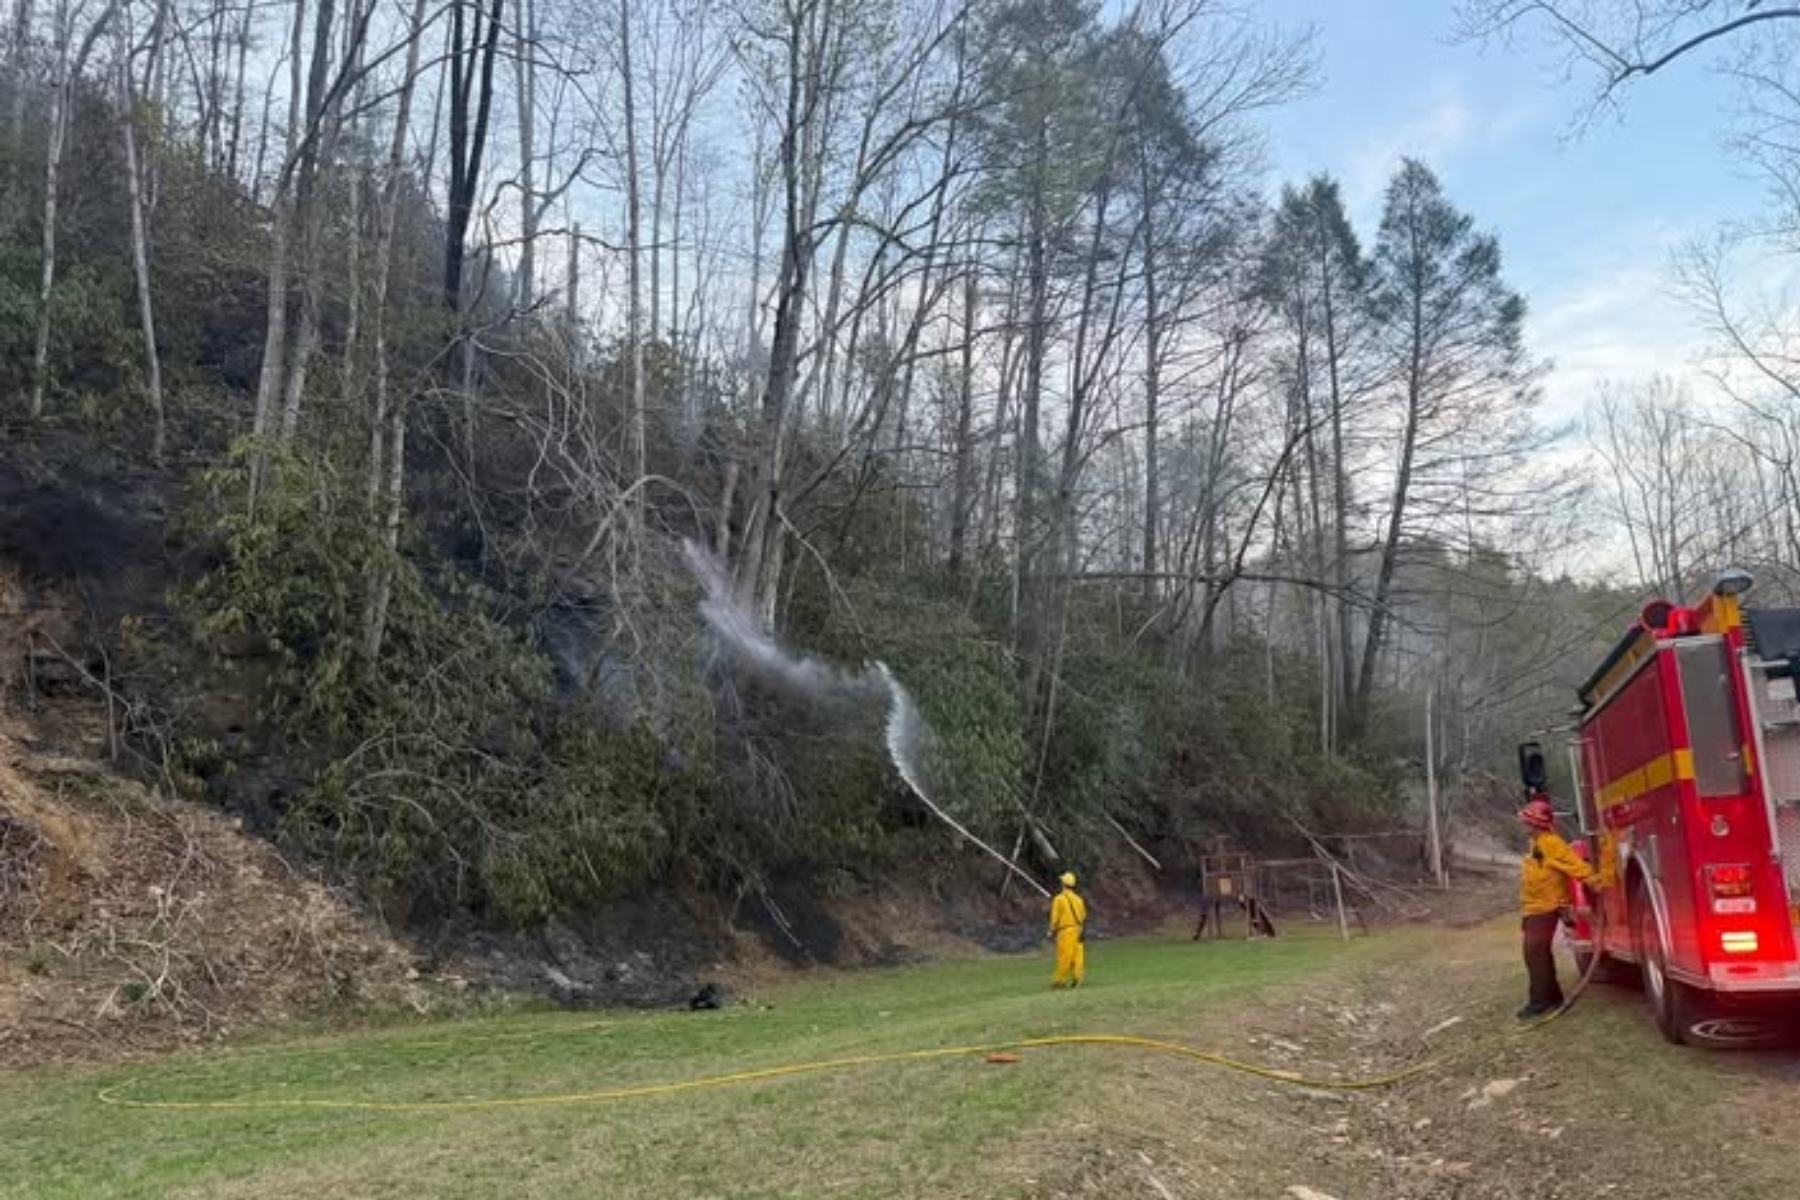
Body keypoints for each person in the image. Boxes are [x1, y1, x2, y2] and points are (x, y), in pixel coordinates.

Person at [1517, 794, 1601, 1020]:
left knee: (1534, 951)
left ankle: (1540, 1002)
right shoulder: (1537, 842)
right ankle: (1552, 997)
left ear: (1535, 823)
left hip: (1548, 906)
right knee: (1538, 953)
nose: (1522, 824)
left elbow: (1575, 866)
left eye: (1526, 821)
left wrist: (1596, 882)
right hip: (1535, 907)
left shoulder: (1552, 843)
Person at [1048, 871, 1087, 989]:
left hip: (1065, 931)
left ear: (1063, 884)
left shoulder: (1058, 899)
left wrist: (1051, 930)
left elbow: (1054, 917)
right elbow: (1083, 915)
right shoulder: (1079, 899)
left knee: (1064, 956)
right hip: (1079, 930)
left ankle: (1059, 981)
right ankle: (1077, 978)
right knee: (1077, 956)